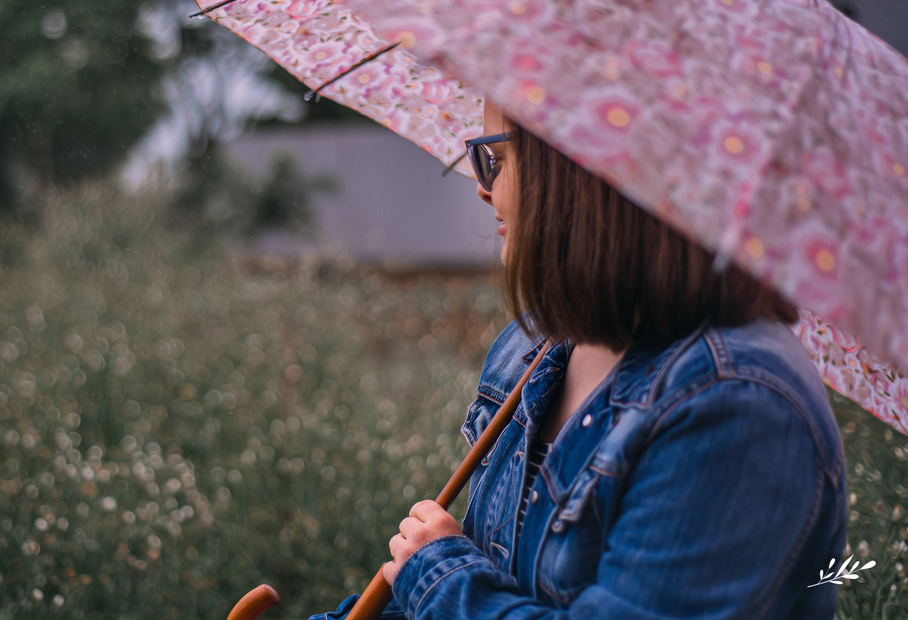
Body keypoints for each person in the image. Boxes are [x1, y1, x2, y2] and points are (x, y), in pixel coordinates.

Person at [314, 102, 847, 620]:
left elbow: (453, 583)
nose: (483, 187)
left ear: (578, 165)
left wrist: (437, 575)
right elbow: (489, 574)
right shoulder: (540, 344)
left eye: (497, 158)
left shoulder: (733, 401)